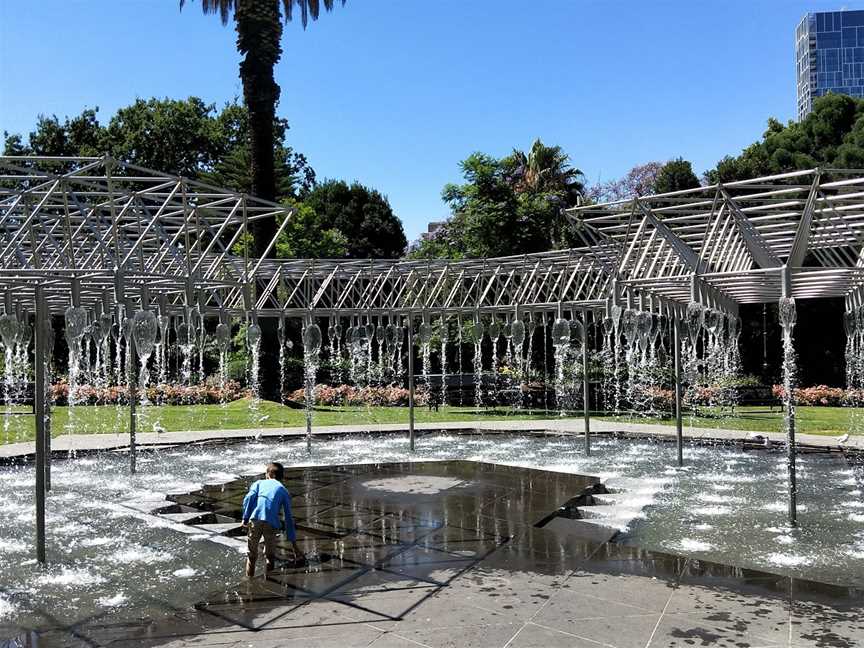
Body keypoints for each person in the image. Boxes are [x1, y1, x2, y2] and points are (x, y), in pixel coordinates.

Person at [241, 461, 300, 578]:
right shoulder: (283, 490)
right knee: (270, 557)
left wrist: (245, 518)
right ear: (281, 477)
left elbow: (249, 498)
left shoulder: (258, 483)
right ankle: (268, 582)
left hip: (255, 519)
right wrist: (294, 545)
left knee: (251, 556)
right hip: (271, 523)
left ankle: (249, 581)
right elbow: (288, 517)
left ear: (267, 474)